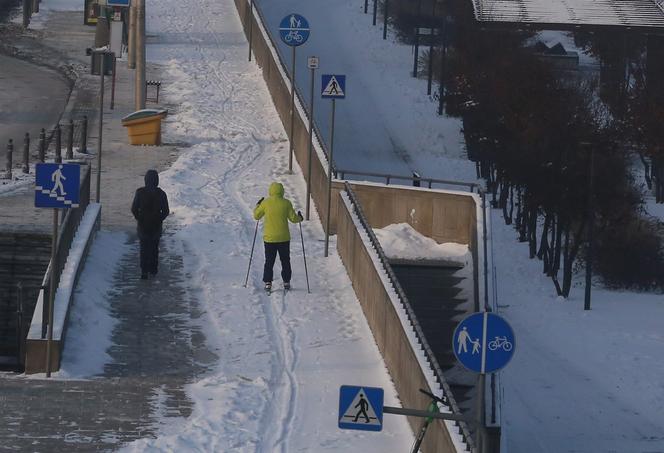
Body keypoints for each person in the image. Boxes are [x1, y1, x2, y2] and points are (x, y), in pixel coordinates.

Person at [253, 182, 302, 291]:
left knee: (269, 261)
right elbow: (293, 219)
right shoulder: (286, 203)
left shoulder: (265, 203)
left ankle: (268, 282)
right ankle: (286, 281)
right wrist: (300, 218)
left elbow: (256, 216)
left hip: (269, 239)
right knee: (285, 260)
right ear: (282, 191)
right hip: (284, 238)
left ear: (270, 191)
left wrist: (257, 205)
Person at [131, 169, 170, 280]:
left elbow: (134, 208)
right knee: (154, 248)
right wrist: (159, 219)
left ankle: (144, 271)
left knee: (143, 249)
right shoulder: (161, 194)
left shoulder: (140, 192)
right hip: (156, 226)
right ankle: (153, 269)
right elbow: (166, 210)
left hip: (143, 226)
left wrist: (139, 218)